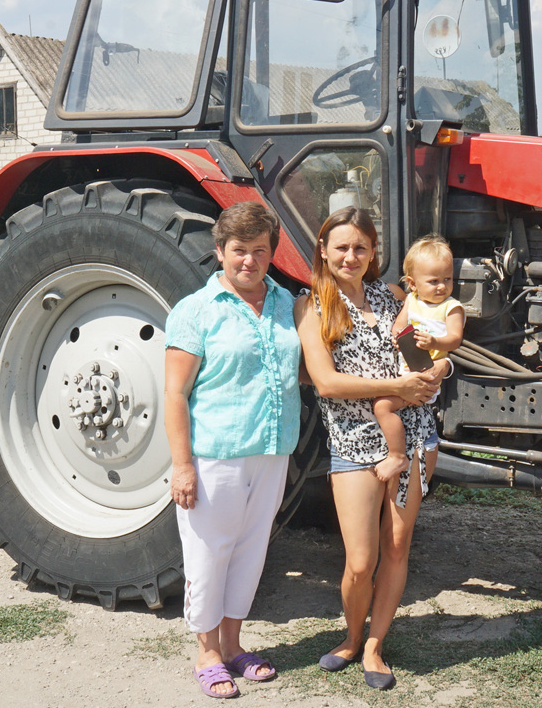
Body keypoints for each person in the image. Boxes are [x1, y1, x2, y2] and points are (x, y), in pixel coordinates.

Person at [294, 206, 448, 691]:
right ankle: (352, 635)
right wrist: (396, 385)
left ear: (373, 252)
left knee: (398, 545)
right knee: (360, 561)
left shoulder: (394, 295)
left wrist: (438, 371)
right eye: (341, 246)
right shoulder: (312, 304)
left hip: (415, 434)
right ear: (323, 249)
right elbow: (325, 382)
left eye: (360, 247)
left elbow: (437, 345)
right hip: (353, 441)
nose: (351, 256)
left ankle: (376, 645)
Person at [164, 201, 301, 699]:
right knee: (209, 553)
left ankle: (234, 643)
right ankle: (206, 653)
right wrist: (182, 466)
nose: (249, 260)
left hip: (272, 449)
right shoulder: (196, 311)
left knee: (249, 551)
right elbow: (175, 393)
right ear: (220, 251)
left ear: (271, 254)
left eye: (259, 251)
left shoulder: (287, 303)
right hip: (216, 452)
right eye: (239, 250)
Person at [371, 235, 465, 482]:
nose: (442, 287)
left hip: (427, 373)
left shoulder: (451, 307)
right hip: (407, 369)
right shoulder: (411, 301)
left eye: (447, 279)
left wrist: (435, 342)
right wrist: (396, 336)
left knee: (382, 406)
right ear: (412, 284)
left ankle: (397, 455)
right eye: (433, 281)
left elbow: (455, 339)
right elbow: (400, 325)